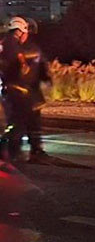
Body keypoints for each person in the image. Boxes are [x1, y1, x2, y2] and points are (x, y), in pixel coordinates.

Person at [0, 17, 51, 161]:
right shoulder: (11, 45)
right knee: (18, 123)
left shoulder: (18, 46)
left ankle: (35, 149)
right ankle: (9, 151)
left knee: (32, 122)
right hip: (17, 92)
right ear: (20, 31)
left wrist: (44, 77)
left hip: (27, 92)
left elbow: (38, 65)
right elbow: (18, 66)